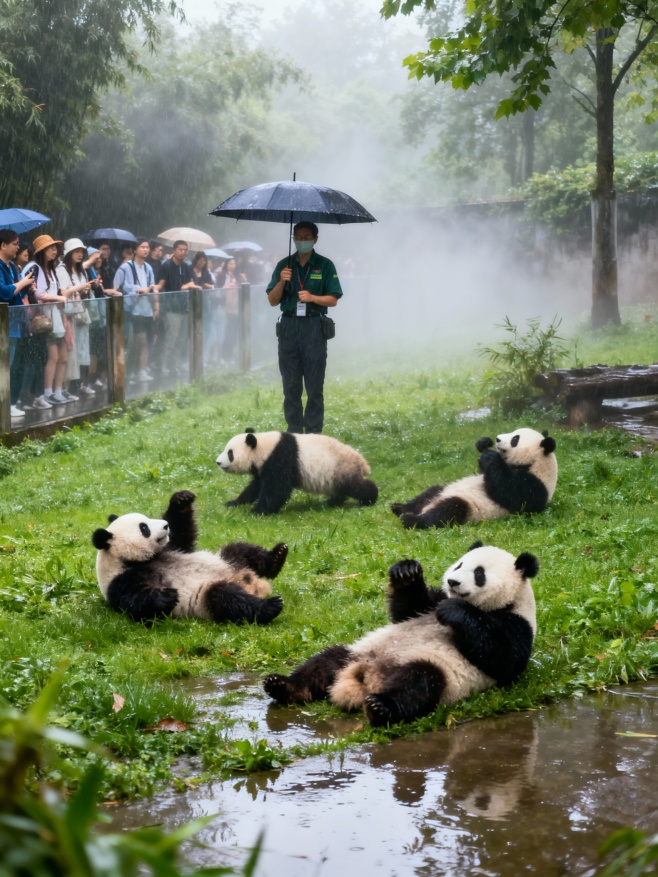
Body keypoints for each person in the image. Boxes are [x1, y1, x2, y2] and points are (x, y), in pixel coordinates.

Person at [266, 221, 342, 434]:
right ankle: (294, 431)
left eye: (306, 237)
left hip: (314, 326)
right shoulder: (284, 265)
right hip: (289, 326)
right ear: (293, 239)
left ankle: (314, 432)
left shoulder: (325, 265)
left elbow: (333, 299)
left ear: (315, 239)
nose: (301, 241)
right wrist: (282, 282)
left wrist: (312, 297)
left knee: (314, 385)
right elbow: (272, 300)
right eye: (297, 237)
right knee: (290, 385)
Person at [23, 234, 76, 406]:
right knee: (51, 356)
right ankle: (44, 393)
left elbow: (55, 291)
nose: (55, 251)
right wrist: (57, 298)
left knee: (62, 355)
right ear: (42, 250)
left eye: (56, 248)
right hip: (41, 316)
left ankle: (57, 391)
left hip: (56, 316)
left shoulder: (51, 269)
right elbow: (34, 292)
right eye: (51, 248)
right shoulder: (34, 267)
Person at [0, 229, 36, 418]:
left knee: (12, 365)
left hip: (15, 324)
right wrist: (21, 283)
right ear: (3, 245)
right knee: (4, 366)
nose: (18, 247)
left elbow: (16, 295)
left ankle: (10, 402)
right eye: (15, 243)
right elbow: (3, 293)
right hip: (3, 324)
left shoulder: (12, 267)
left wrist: (26, 288)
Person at [113, 238, 158, 383]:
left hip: (145, 310)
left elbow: (152, 286)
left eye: (147, 247)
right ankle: (127, 372)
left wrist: (156, 304)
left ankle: (140, 371)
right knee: (131, 342)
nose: (146, 249)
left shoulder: (148, 268)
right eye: (142, 247)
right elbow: (116, 286)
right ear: (135, 250)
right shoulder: (125, 267)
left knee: (143, 342)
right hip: (129, 310)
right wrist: (137, 289)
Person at [56, 238, 94, 398]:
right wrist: (79, 288)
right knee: (70, 353)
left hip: (80, 315)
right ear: (69, 253)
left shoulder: (80, 270)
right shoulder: (61, 269)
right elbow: (64, 292)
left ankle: (77, 385)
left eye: (82, 252)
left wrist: (86, 290)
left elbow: (82, 294)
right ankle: (65, 388)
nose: (80, 255)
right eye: (77, 251)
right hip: (67, 315)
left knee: (80, 353)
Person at [156, 240, 199, 375]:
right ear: (174, 250)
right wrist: (186, 286)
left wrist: (190, 285)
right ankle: (162, 365)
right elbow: (164, 285)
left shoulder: (186, 267)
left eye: (185, 250)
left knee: (181, 339)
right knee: (171, 338)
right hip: (170, 308)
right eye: (180, 250)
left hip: (183, 307)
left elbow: (191, 281)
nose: (183, 252)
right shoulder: (166, 266)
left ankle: (175, 364)